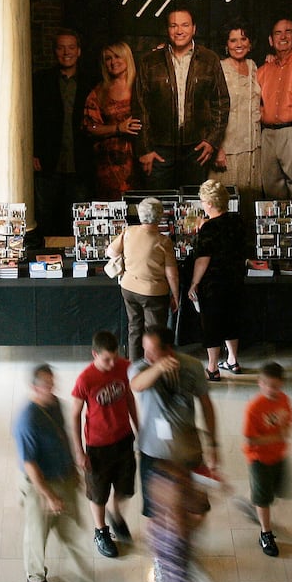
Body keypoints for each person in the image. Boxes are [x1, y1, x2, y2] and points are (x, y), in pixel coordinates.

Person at [15, 363, 91, 582]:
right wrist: (49, 495)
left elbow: (62, 435)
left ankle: (81, 572)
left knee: (69, 525)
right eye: (46, 385)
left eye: (52, 382)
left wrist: (73, 469)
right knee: (37, 533)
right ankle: (35, 577)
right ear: (34, 387)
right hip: (40, 485)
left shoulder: (55, 404)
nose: (52, 388)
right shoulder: (26, 420)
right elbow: (30, 464)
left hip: (63, 476)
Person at [134, 7, 230, 190]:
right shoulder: (150, 61)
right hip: (159, 149)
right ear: (167, 29)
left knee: (193, 207)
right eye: (174, 25)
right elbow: (141, 107)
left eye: (185, 25)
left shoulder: (209, 59)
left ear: (194, 28)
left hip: (196, 149)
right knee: (159, 206)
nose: (179, 31)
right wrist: (145, 149)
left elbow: (221, 102)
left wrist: (212, 140)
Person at [129, 325, 218, 522]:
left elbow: (206, 404)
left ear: (169, 349)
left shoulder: (192, 366)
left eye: (152, 351)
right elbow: (137, 384)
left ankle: (183, 541)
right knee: (156, 509)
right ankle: (163, 549)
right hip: (153, 452)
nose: (147, 355)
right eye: (145, 349)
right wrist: (158, 367)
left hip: (188, 450)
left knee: (196, 507)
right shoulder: (141, 367)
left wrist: (212, 443)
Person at [68, 331, 138, 558]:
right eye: (106, 359)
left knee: (125, 488)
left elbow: (129, 397)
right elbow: (75, 415)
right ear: (94, 354)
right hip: (97, 446)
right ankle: (100, 531)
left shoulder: (123, 366)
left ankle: (115, 513)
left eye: (114, 358)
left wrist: (139, 426)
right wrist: (79, 451)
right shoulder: (85, 379)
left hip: (124, 438)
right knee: (98, 493)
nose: (111, 364)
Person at [187, 179, 251, 382]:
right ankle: (233, 360)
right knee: (232, 319)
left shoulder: (209, 228)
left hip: (213, 284)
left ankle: (213, 368)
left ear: (209, 203)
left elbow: (202, 260)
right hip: (235, 279)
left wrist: (194, 283)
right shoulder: (237, 221)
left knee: (212, 323)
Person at [33, 29, 95, 237]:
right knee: (44, 217)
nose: (66, 52)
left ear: (78, 51)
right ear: (54, 51)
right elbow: (30, 118)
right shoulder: (40, 81)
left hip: (81, 162)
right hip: (48, 161)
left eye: (71, 47)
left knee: (80, 220)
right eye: (61, 47)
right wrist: (32, 152)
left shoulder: (92, 82)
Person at [106, 197, 179, 361]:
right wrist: (175, 296)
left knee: (134, 328)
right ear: (160, 216)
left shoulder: (129, 231)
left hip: (128, 288)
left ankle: (134, 366)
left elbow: (111, 252)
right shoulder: (164, 242)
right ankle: (153, 365)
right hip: (154, 293)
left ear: (140, 215)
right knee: (153, 332)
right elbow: (172, 274)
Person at [256, 17, 292, 201]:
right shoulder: (263, 71)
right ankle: (277, 230)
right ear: (270, 40)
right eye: (278, 33)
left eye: (288, 31)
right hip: (268, 135)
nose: (283, 36)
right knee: (271, 189)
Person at [242, 361, 292, 557]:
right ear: (260, 383)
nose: (273, 390)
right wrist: (275, 437)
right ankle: (266, 533)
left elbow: (288, 421)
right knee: (264, 498)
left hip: (278, 455)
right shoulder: (254, 408)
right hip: (259, 459)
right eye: (269, 386)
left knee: (277, 492)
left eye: (277, 386)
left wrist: (284, 433)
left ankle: (255, 500)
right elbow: (249, 437)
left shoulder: (284, 400)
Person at [83, 39, 141, 199]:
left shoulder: (141, 86)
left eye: (117, 56)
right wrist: (118, 128)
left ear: (127, 58)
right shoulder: (99, 92)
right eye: (108, 58)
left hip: (140, 160)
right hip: (109, 164)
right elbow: (89, 127)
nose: (113, 62)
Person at [216, 23, 261, 205]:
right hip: (228, 150)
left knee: (250, 204)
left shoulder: (254, 66)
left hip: (253, 149)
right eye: (233, 40)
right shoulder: (219, 68)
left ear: (250, 43)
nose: (239, 44)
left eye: (243, 39)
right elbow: (211, 110)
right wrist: (216, 148)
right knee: (227, 204)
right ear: (226, 45)